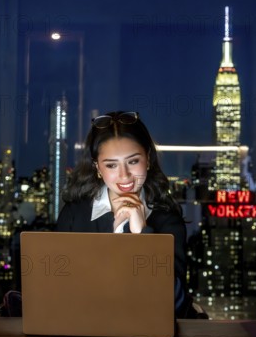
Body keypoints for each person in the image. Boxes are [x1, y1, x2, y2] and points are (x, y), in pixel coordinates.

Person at [56, 110, 189, 316]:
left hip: (147, 336)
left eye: (133, 161)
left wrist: (142, 234)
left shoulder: (167, 219)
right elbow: (57, 291)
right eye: (111, 165)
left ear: (148, 159)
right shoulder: (74, 214)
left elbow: (175, 304)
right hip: (85, 332)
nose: (124, 175)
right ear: (97, 168)